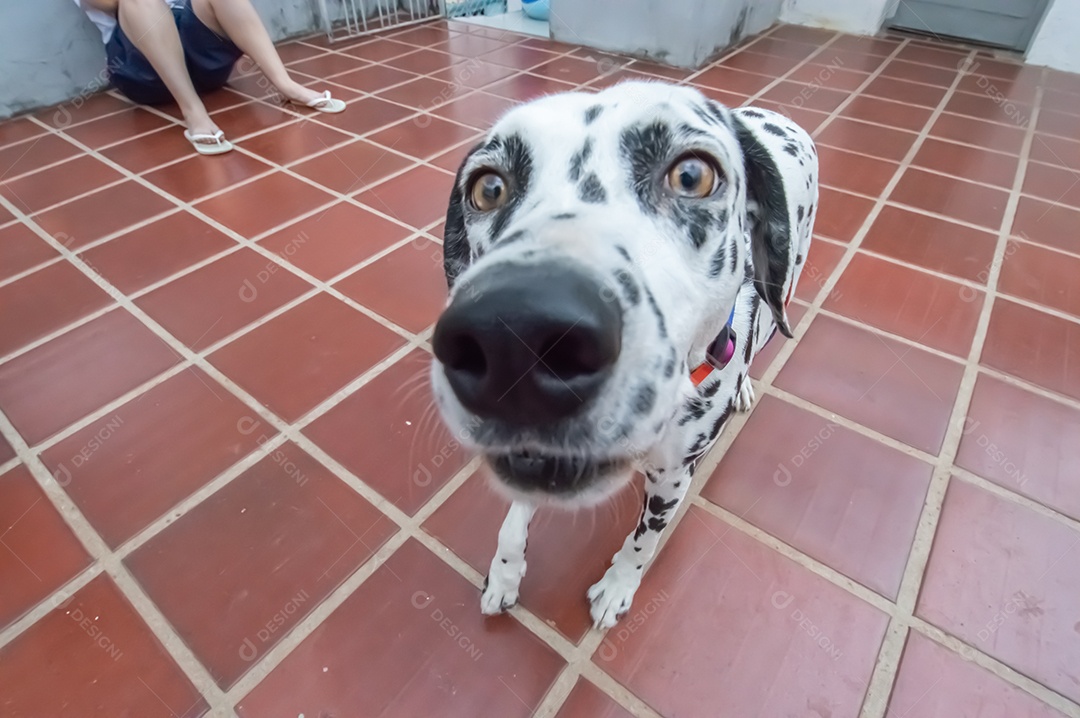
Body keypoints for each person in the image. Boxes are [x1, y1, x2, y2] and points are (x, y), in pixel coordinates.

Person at [74, 0, 347, 155]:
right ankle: (194, 112)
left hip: (204, 60)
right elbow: (106, 3)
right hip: (145, 70)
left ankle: (284, 84)